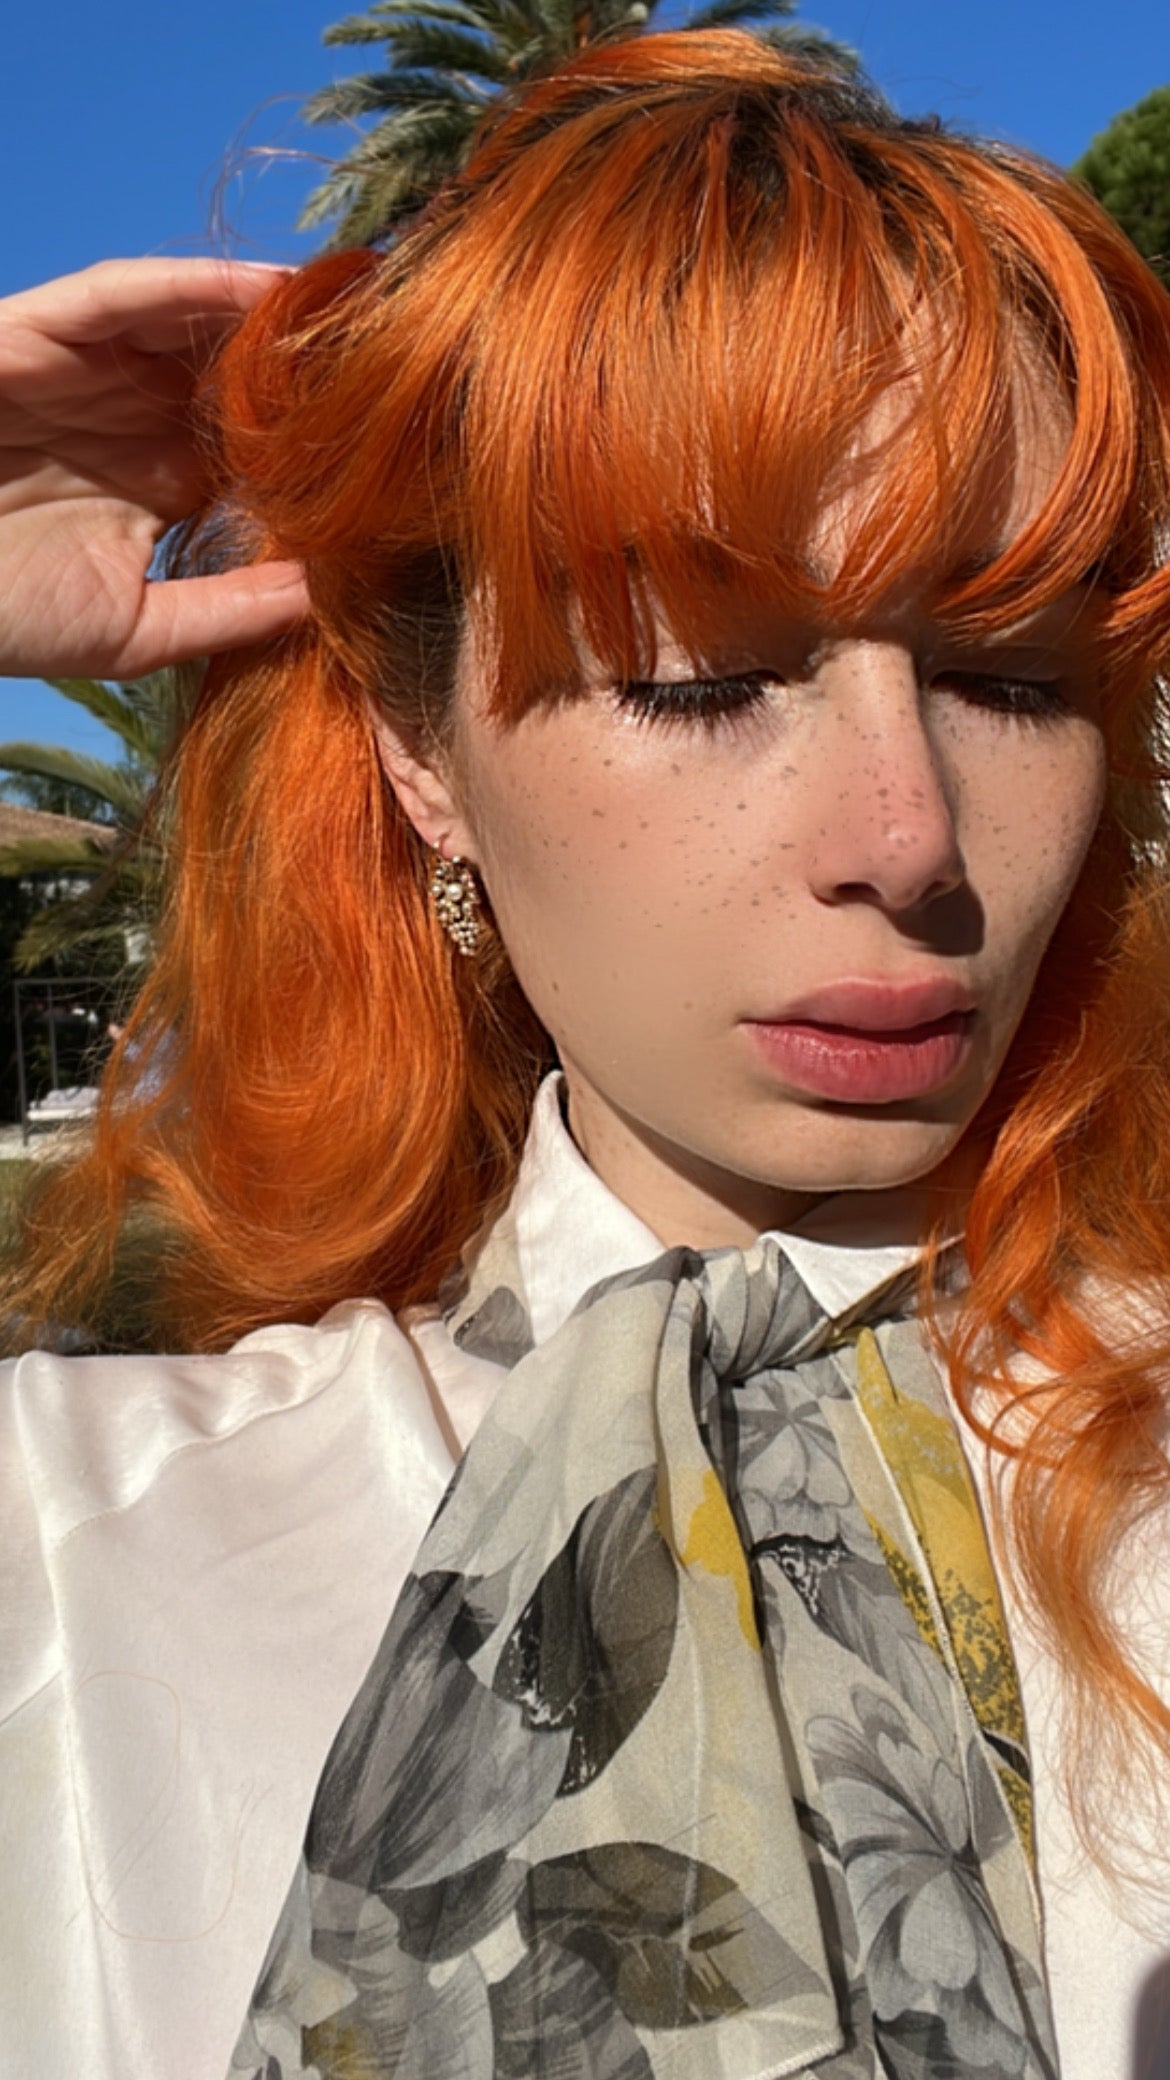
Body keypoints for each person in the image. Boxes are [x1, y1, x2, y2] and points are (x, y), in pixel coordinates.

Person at [2, 31, 1170, 2080]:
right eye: (701, 677)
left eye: (1007, 674)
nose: (905, 838)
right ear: (419, 751)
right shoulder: (66, 1538)